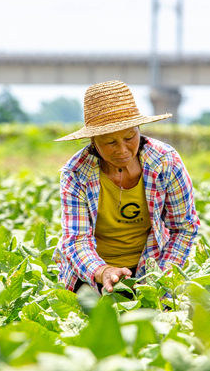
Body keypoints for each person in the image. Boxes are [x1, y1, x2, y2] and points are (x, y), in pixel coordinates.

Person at [55, 80, 200, 294]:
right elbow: (77, 240)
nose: (122, 149)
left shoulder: (166, 162)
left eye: (129, 137)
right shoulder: (76, 174)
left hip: (153, 267)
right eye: (110, 142)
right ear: (93, 141)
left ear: (139, 129)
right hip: (94, 273)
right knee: (92, 316)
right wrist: (102, 271)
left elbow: (184, 228)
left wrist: (159, 278)